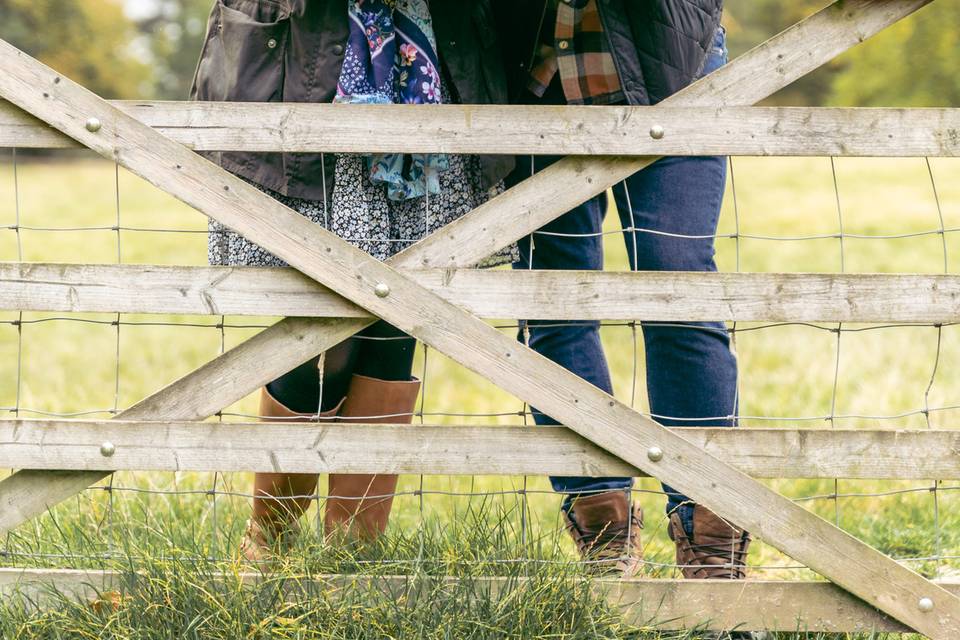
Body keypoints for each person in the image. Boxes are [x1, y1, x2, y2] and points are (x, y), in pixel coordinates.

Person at [190, 0, 515, 561]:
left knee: (399, 317)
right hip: (309, 78)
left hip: (428, 78)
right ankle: (269, 545)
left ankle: (354, 557)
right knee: (325, 328)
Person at [496, 0, 750, 582]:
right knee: (554, 303)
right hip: (536, 70)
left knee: (678, 288)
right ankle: (604, 544)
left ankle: (711, 553)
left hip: (674, 59)